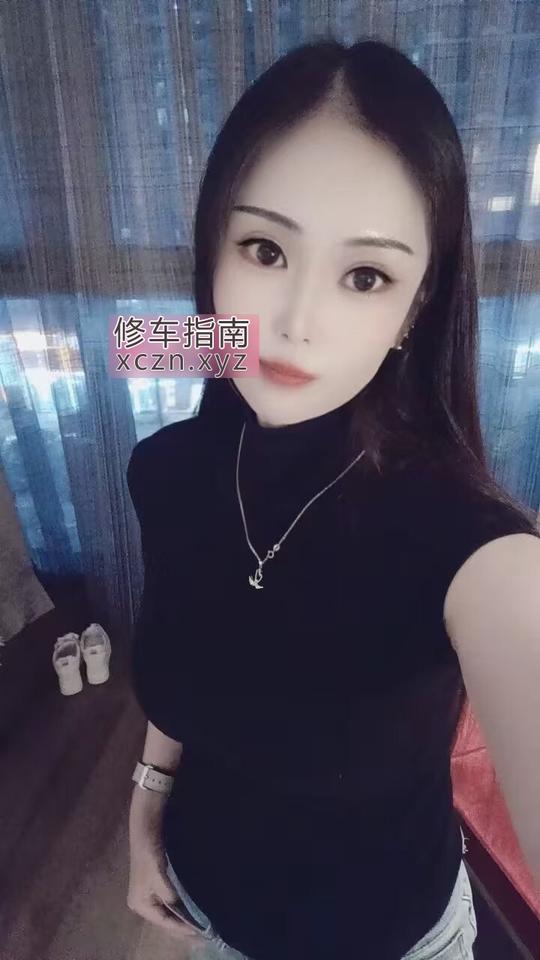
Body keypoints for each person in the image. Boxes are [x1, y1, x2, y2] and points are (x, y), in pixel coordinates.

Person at [125, 38, 540, 960]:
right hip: (205, 905)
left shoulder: (470, 545)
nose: (297, 322)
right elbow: (185, 648)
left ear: (415, 306)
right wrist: (146, 802)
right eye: (265, 249)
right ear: (215, 248)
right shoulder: (167, 468)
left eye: (366, 276)